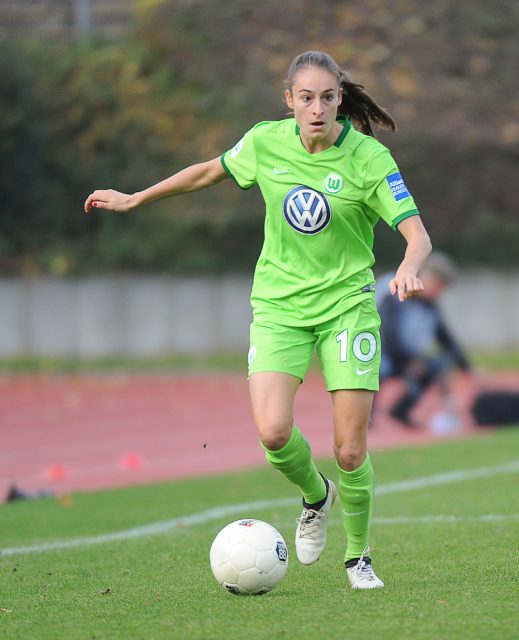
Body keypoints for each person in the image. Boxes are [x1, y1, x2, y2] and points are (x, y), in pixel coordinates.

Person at [84, 50, 432, 589]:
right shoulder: (264, 141)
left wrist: (409, 269)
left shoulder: (368, 159)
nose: (317, 108)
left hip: (346, 308)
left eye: (328, 97)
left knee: (349, 448)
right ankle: (317, 496)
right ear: (288, 100)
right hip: (279, 309)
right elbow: (208, 171)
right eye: (306, 97)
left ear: (341, 99)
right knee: (272, 433)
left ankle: (358, 557)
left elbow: (417, 235)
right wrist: (136, 198)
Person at [374, 252, 470, 428]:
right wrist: (409, 361)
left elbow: (445, 338)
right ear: (426, 277)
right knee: (378, 366)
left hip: (405, 356)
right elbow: (386, 335)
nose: (439, 292)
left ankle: (400, 410)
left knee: (434, 364)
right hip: (379, 351)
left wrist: (466, 367)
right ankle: (366, 416)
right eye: (438, 285)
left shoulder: (430, 305)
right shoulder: (395, 293)